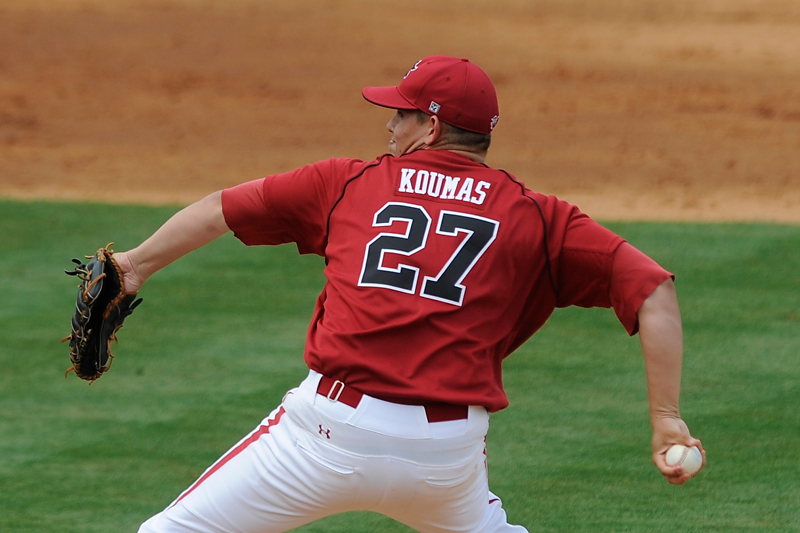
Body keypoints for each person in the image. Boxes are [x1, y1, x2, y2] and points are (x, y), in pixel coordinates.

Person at [117, 55, 704, 533]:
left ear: (433, 127)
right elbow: (653, 290)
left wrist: (134, 266)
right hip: (444, 458)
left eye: (401, 114)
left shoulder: (348, 180)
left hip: (324, 439)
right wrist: (667, 418)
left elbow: (223, 209)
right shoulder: (540, 217)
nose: (390, 126)